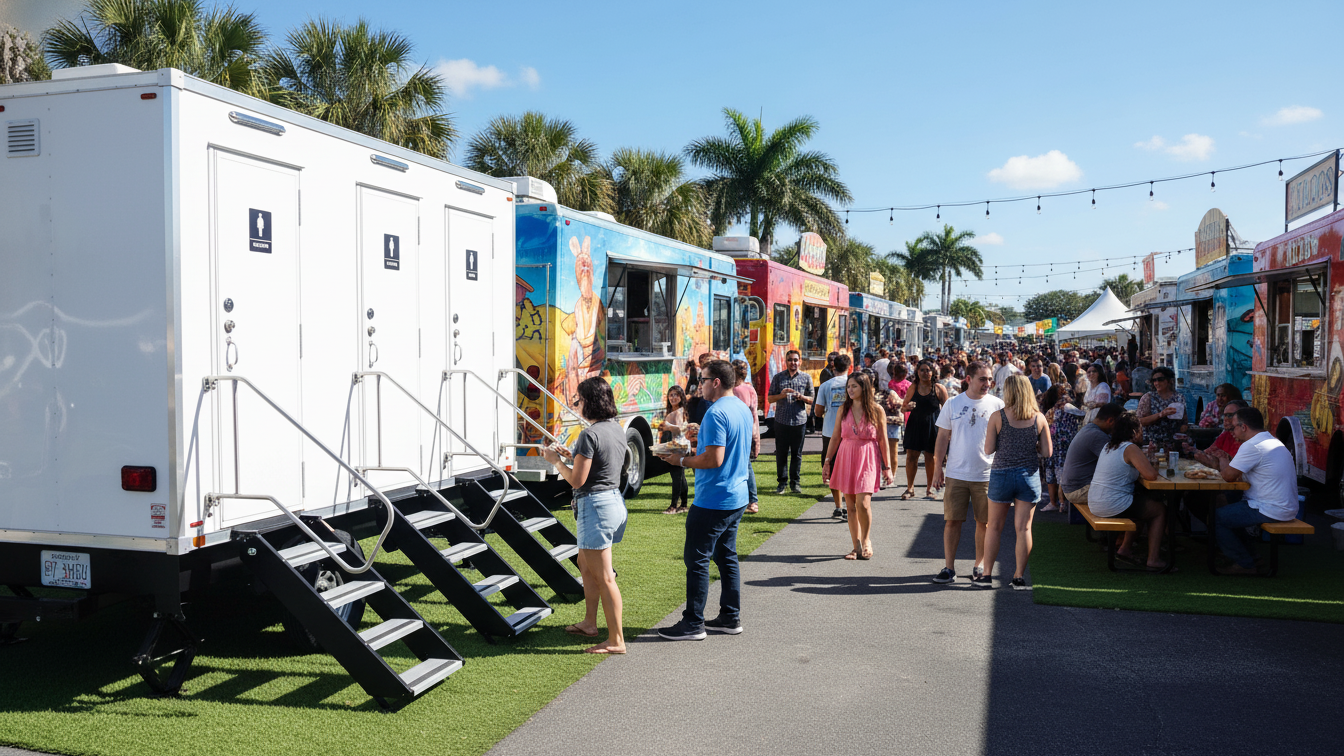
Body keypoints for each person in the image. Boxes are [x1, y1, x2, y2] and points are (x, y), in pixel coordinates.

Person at [655, 360, 754, 640]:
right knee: (727, 557)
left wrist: (681, 460)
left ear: (717, 382)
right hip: (736, 495)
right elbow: (727, 448)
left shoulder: (715, 412)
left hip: (714, 499)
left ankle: (693, 623)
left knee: (697, 560)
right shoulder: (741, 408)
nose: (700, 386)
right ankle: (729, 616)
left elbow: (714, 459)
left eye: (704, 380)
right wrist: (700, 439)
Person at [541, 377, 628, 653]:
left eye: (578, 399)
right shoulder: (615, 428)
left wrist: (556, 462)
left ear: (589, 401)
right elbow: (601, 464)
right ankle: (590, 623)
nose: (576, 404)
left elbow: (577, 480)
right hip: (613, 502)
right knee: (585, 563)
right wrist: (574, 455)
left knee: (604, 577)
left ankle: (616, 641)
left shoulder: (589, 434)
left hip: (596, 506)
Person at [930, 362, 1004, 584]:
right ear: (968, 379)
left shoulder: (997, 404)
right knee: (952, 521)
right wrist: (937, 470)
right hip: (956, 473)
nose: (987, 384)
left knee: (984, 523)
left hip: (987, 474)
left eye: (989, 379)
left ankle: (979, 565)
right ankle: (949, 568)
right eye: (982, 379)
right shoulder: (953, 403)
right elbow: (942, 438)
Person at [1205, 407, 1300, 575]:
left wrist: (1222, 458)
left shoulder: (1253, 445)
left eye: (1233, 427)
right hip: (1284, 506)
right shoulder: (1271, 440)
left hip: (1271, 507)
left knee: (1215, 517)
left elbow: (1228, 476)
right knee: (1230, 509)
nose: (1231, 431)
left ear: (1244, 427)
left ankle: (1245, 563)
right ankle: (1253, 556)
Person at [982, 375, 1052, 589]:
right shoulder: (1039, 418)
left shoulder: (998, 416)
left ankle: (986, 575)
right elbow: (1047, 452)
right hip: (1028, 476)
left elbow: (988, 449)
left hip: (1001, 474)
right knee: (1023, 529)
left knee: (993, 527)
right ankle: (1019, 576)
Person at [822, 373, 895, 560]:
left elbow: (883, 440)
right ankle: (855, 547)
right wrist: (828, 461)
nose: (850, 390)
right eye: (848, 386)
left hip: (868, 457)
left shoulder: (877, 410)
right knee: (851, 505)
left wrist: (887, 467)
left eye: (854, 386)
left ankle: (866, 540)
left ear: (864, 387)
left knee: (863, 503)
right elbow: (835, 437)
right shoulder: (843, 409)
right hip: (846, 456)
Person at [1085, 411, 1170, 570]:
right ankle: (1153, 559)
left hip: (1096, 501)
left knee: (1143, 504)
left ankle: (1125, 549)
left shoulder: (1109, 446)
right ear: (1134, 432)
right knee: (1158, 509)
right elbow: (1151, 475)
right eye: (1140, 429)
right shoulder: (1130, 448)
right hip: (1111, 504)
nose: (1142, 433)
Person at [1059, 403, 1124, 508]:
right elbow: (1119, 463)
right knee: (1128, 493)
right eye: (1120, 425)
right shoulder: (1097, 436)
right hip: (1078, 490)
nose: (1121, 429)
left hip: (1072, 487)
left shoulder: (1089, 428)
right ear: (1111, 421)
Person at [767, 350, 813, 494]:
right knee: (781, 453)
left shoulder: (806, 377)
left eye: (795, 360)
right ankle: (782, 483)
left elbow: (812, 399)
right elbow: (769, 398)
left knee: (797, 454)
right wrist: (781, 395)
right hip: (781, 420)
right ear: (786, 362)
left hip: (799, 420)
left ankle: (795, 483)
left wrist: (801, 397)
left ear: (800, 362)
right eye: (790, 360)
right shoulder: (778, 378)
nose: (793, 363)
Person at [814, 354, 853, 519]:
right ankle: (851, 505)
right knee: (850, 469)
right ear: (849, 367)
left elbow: (817, 412)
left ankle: (838, 506)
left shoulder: (825, 386)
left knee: (831, 467)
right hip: (851, 432)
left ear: (832, 367)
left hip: (830, 432)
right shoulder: (854, 384)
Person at [900, 360, 947, 500]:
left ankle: (929, 489)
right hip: (915, 424)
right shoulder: (913, 387)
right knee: (911, 457)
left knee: (930, 458)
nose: (925, 373)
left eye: (928, 370)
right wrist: (907, 408)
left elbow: (948, 410)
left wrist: (947, 431)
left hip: (933, 426)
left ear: (933, 373)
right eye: (922, 370)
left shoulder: (939, 388)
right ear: (917, 372)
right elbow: (903, 407)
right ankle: (910, 488)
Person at [731, 360, 762, 515]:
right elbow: (754, 414)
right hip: (749, 431)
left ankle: (751, 499)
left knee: (744, 466)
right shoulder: (750, 389)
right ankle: (751, 500)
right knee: (745, 465)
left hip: (737, 432)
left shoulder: (735, 390)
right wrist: (756, 435)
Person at [1137, 366, 1187, 449]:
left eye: (1160, 379)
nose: (1157, 383)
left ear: (1168, 380)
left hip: (1173, 442)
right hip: (1152, 442)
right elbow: (1140, 421)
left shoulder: (1179, 398)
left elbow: (1184, 421)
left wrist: (1183, 428)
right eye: (1154, 380)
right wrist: (1160, 415)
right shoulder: (1148, 397)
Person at [660, 385, 689, 515]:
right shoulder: (671, 411)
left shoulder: (680, 411)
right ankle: (683, 505)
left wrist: (667, 427)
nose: (673, 397)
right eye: (671, 395)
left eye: (676, 395)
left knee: (677, 476)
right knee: (680, 476)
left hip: (679, 447)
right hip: (673, 446)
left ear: (681, 397)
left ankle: (673, 506)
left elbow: (680, 429)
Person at [885, 362, 913, 489]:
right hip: (906, 412)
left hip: (894, 414)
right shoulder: (909, 385)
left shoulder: (891, 384)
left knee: (891, 447)